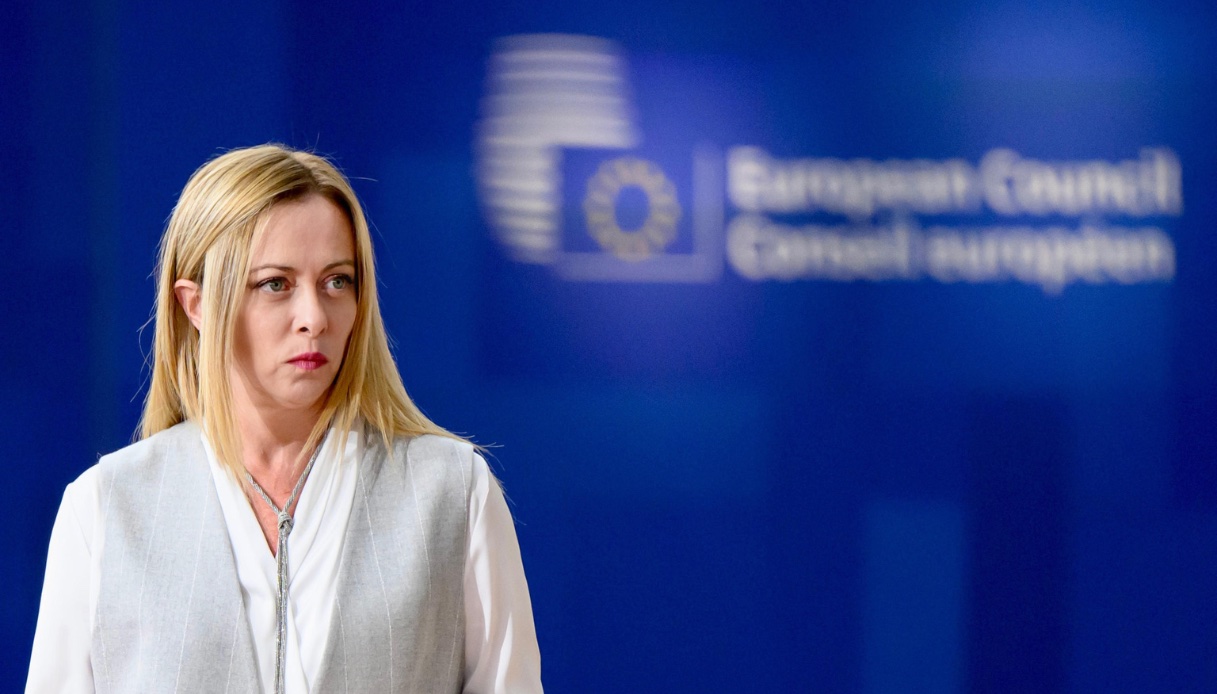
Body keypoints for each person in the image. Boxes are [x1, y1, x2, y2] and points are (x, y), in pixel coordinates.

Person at [26, 144, 542, 693]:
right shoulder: (105, 508)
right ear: (196, 305)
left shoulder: (453, 493)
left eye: (337, 281)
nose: (314, 318)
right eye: (276, 284)